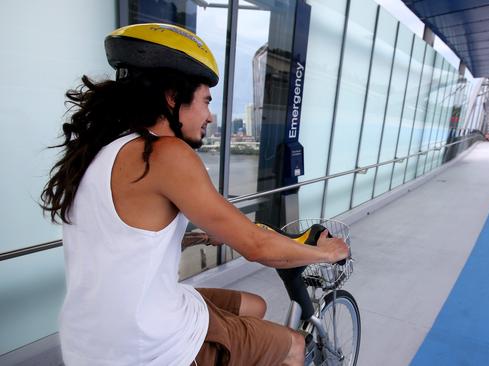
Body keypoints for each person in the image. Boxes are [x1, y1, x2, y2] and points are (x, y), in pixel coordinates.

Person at [40, 23, 348, 366]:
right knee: (292, 344)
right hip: (149, 348)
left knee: (255, 306)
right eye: (205, 101)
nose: (210, 115)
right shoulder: (164, 153)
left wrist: (186, 240)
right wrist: (327, 253)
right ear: (172, 96)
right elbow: (257, 246)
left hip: (92, 341)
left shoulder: (100, 151)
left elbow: (117, 238)